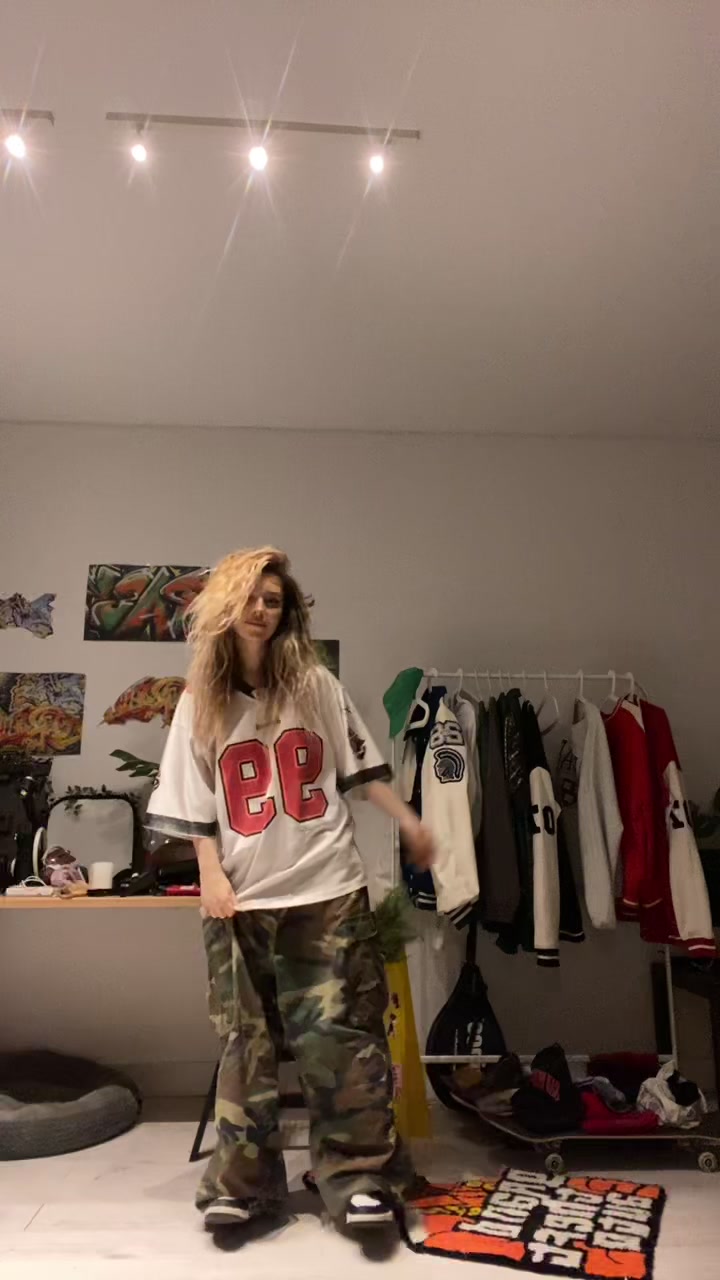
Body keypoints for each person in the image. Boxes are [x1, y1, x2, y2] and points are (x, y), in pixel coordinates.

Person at [146, 547, 434, 1236]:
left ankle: (360, 1177)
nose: (260, 610)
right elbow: (192, 800)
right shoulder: (200, 702)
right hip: (241, 898)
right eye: (249, 597)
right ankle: (242, 1188)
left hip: (326, 888)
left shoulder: (315, 685)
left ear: (287, 611)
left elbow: (360, 770)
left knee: (342, 1037)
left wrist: (409, 822)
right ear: (225, 606)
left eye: (272, 600)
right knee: (245, 1044)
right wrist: (210, 874)